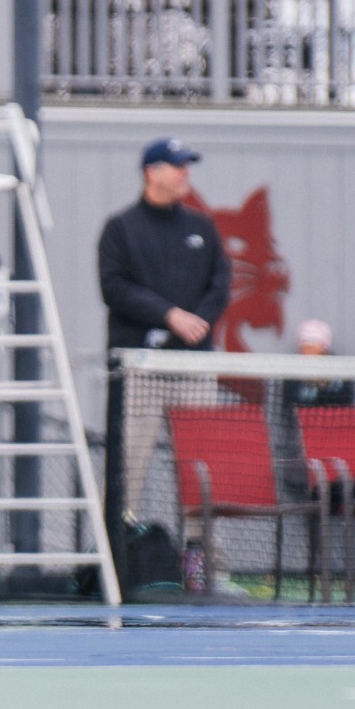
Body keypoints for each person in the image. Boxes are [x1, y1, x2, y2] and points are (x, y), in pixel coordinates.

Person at [98, 137, 233, 510]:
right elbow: (114, 287)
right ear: (151, 173)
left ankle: (202, 560)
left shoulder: (202, 228)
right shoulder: (121, 228)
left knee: (199, 469)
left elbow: (220, 284)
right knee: (129, 467)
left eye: (187, 164)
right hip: (141, 369)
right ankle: (119, 557)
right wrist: (169, 315)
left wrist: (198, 323)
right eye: (177, 165)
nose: (186, 172)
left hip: (194, 368)